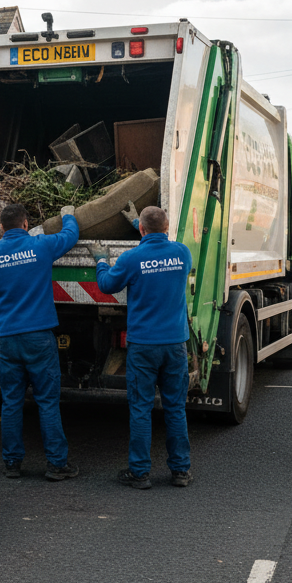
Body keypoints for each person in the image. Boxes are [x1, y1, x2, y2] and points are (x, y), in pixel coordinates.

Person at [0, 203, 81, 481]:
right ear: (26, 224)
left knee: (12, 402)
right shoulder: (41, 246)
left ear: (2, 228)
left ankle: (12, 464)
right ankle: (56, 465)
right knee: (47, 401)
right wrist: (68, 215)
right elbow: (70, 236)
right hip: (39, 338)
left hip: (8, 340)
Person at [90, 205, 193, 490]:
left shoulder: (131, 258)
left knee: (141, 409)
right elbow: (159, 238)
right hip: (175, 346)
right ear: (167, 227)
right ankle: (180, 471)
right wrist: (142, 223)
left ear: (141, 231)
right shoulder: (182, 253)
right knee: (175, 409)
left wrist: (100, 261)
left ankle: (140, 473)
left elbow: (107, 285)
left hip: (144, 347)